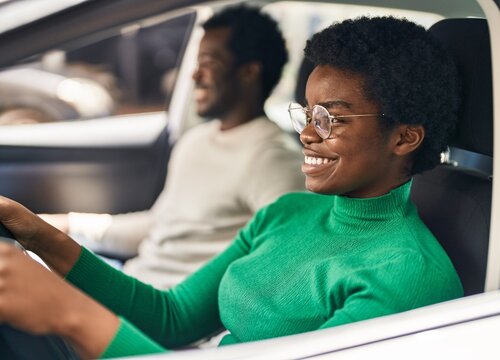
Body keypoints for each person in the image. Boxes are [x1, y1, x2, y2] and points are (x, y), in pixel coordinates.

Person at [0, 16, 463, 359]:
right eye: (307, 113)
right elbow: (172, 318)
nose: (305, 135)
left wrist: (71, 315)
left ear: (405, 138)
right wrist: (34, 231)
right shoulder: (286, 214)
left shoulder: (405, 278)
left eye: (330, 119)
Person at [40, 5, 305, 289]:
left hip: (161, 307)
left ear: (249, 72)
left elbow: (279, 260)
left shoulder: (273, 159)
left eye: (209, 63)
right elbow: (160, 225)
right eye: (197, 63)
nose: (195, 76)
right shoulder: (196, 140)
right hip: (130, 277)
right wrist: (69, 225)